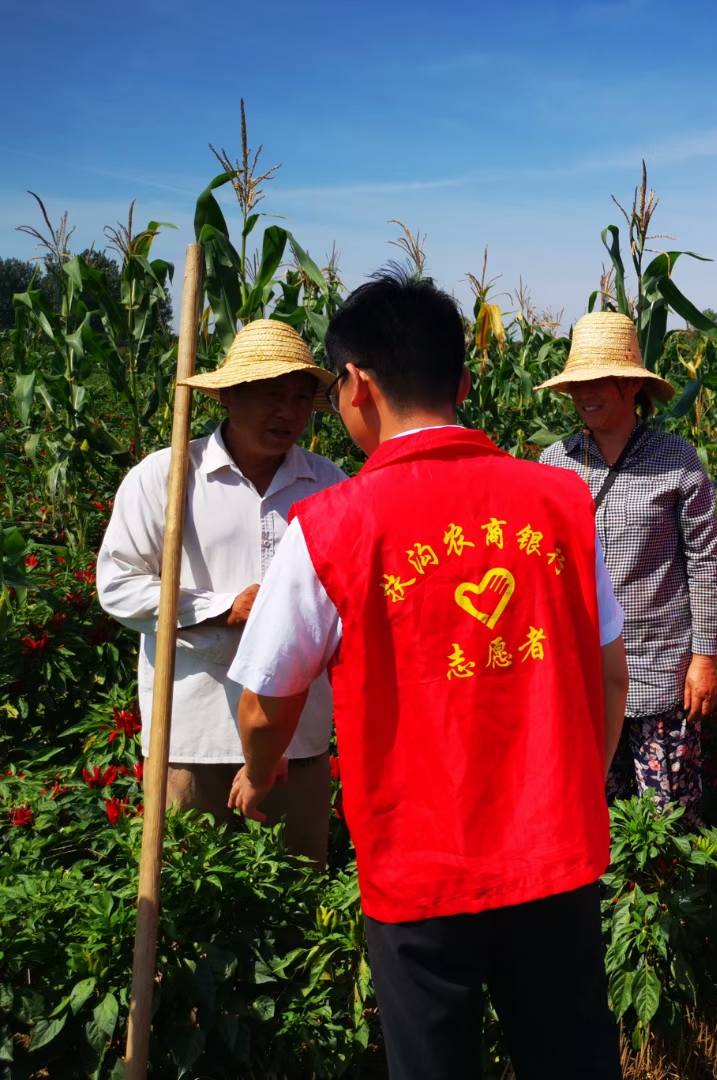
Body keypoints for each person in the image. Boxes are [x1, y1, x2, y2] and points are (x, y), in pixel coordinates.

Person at [225, 276, 628, 1080]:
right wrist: (575, 785)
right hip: (554, 853)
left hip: (420, 869)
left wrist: (258, 773)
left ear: (357, 386)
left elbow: (267, 705)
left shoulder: (333, 525)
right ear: (464, 383)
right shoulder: (560, 500)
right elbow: (611, 674)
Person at [96, 319, 346, 866]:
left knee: (297, 887)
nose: (288, 412)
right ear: (229, 395)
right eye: (272, 395)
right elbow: (117, 585)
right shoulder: (165, 477)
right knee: (190, 886)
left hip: (297, 735)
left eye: (300, 399)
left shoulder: (330, 485)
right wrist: (220, 609)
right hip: (193, 732)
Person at [539, 311, 717, 826]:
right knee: (591, 813)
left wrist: (704, 657)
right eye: (578, 383)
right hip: (584, 671)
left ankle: (674, 886)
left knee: (669, 820)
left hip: (661, 669)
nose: (585, 394)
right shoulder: (555, 463)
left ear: (632, 385)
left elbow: (704, 564)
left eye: (599, 381)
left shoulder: (676, 460)